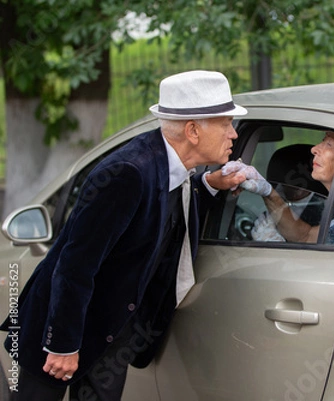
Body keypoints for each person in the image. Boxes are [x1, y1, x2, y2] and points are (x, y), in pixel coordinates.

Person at [0, 70, 249, 401]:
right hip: (62, 327)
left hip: (112, 330)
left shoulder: (175, 167)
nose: (233, 134)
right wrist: (62, 344)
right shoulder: (127, 173)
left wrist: (208, 185)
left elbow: (160, 214)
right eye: (226, 124)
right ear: (192, 131)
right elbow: (75, 265)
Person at [223, 131, 334, 245]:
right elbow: (305, 236)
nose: (314, 149)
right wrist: (268, 192)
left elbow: (325, 271)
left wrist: (277, 249)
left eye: (329, 143)